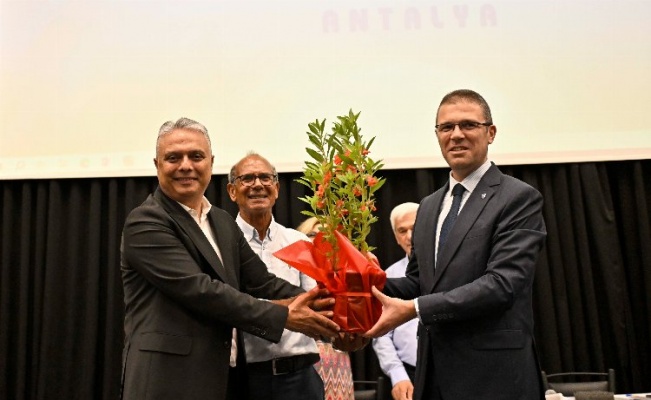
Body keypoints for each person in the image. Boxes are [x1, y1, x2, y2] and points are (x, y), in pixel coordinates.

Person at [120, 118, 339, 400]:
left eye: (196, 156)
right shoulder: (146, 221)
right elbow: (202, 291)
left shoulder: (221, 222)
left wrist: (331, 309)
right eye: (173, 157)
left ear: (211, 163)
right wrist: (285, 316)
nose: (186, 165)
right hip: (167, 380)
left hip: (225, 379)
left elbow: (263, 282)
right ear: (157, 165)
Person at [365, 90, 547, 400]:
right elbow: (419, 282)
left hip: (495, 377)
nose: (456, 135)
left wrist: (415, 309)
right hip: (433, 374)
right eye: (446, 127)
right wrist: (368, 279)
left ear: (490, 133)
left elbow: (502, 285)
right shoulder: (429, 206)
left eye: (468, 125)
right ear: (437, 135)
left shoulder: (517, 198)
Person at [226, 153, 325, 400]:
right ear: (232, 191)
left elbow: (314, 301)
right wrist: (282, 313)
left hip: (301, 378)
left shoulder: (299, 242)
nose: (258, 184)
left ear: (277, 189)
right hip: (244, 381)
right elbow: (225, 306)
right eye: (247, 178)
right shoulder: (221, 243)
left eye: (265, 178)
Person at [296, 216, 355, 400]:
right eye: (312, 234)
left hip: (337, 362)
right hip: (302, 362)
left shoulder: (344, 278)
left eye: (325, 235)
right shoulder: (287, 275)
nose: (318, 239)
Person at [372, 202, 419, 400]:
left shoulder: (450, 270)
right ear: (396, 237)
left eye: (414, 228)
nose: (409, 236)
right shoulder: (387, 277)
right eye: (402, 231)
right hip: (407, 375)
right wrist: (397, 375)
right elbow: (382, 334)